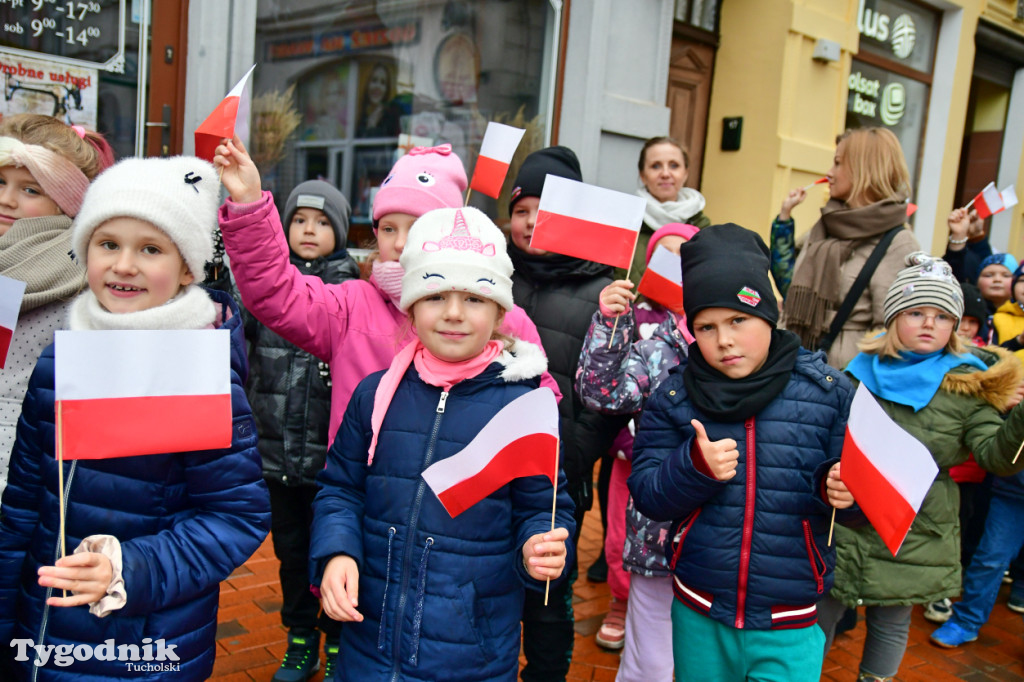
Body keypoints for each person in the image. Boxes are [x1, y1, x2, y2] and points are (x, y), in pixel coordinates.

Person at [0, 156, 271, 680]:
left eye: (150, 249)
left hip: (142, 643)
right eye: (108, 244)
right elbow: (21, 507)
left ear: (188, 267)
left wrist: (129, 568)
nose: (124, 265)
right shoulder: (59, 359)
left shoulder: (199, 371)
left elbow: (237, 517)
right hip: (40, 634)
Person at [308, 206, 575, 681]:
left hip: (469, 654)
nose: (453, 313)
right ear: (411, 305)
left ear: (499, 311)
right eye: (435, 295)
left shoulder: (524, 406)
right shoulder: (375, 394)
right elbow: (340, 489)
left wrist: (541, 544)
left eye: (474, 298)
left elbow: (545, 507)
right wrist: (337, 552)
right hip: (368, 643)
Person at [214, 138, 558, 451]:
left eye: (417, 228)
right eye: (389, 228)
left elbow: (541, 414)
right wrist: (249, 206)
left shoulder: (502, 317)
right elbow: (275, 293)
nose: (399, 244)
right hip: (360, 499)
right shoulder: (350, 307)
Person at [628, 223, 857, 681]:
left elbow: (861, 502)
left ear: (768, 315)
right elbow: (648, 495)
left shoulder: (828, 393)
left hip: (790, 616)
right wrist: (693, 469)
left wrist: (844, 492)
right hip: (700, 609)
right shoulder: (674, 398)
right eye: (706, 327)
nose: (724, 340)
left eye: (739, 320)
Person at [818, 252, 1024, 682]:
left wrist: (1019, 420)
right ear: (893, 318)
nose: (930, 323)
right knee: (818, 620)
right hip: (847, 522)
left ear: (955, 326)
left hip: (913, 530)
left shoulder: (969, 387)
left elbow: (995, 457)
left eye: (943, 315)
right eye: (916, 312)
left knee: (890, 624)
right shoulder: (855, 373)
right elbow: (824, 445)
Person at [209, 180, 359, 682]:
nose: (309, 230)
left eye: (321, 222)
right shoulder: (264, 293)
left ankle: (338, 642)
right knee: (292, 556)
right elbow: (234, 348)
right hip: (275, 455)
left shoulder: (351, 292)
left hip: (332, 460)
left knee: (336, 555)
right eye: (299, 220)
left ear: (339, 230)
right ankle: (300, 640)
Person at [505, 145, 625, 681]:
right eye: (521, 211)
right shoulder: (493, 273)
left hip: (560, 469)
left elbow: (609, 395)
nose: (530, 224)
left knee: (548, 592)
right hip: (490, 463)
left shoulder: (603, 291)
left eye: (543, 212)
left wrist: (574, 452)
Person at [575, 222, 697, 677]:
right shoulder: (654, 340)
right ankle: (619, 601)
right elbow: (603, 391)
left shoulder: (733, 347)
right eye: (665, 257)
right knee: (617, 544)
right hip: (645, 484)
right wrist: (610, 322)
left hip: (709, 538)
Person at [0, 114, 113, 498]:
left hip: (30, 480)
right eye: (0, 181)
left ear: (66, 201)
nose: (6, 199)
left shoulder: (88, 285)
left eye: (31, 190)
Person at [780, 127, 920, 370]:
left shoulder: (899, 242)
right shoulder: (827, 224)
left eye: (837, 163)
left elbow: (894, 334)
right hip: (792, 368)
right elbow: (789, 285)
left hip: (844, 382)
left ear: (863, 169)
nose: (829, 173)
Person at [625, 136, 710, 286]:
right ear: (643, 176)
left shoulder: (704, 231)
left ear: (685, 173)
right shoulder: (627, 224)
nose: (665, 173)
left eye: (674, 165)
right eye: (656, 166)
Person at [356, 62, 400, 138]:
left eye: (383, 83)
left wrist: (371, 129)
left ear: (387, 89)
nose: (378, 86)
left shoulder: (393, 115)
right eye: (374, 80)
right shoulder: (358, 113)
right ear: (367, 83)